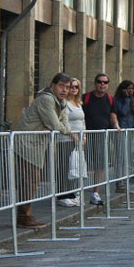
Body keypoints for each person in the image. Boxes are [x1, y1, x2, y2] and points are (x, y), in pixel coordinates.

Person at [14, 73, 73, 226]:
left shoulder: (62, 102)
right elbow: (55, 124)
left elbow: (63, 123)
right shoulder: (46, 99)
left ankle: (25, 214)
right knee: (30, 179)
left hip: (37, 144)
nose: (64, 90)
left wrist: (64, 128)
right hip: (27, 143)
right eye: (61, 86)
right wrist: (68, 131)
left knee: (32, 180)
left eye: (67, 87)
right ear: (52, 85)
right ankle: (23, 215)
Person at [82, 73, 120, 206]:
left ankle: (95, 192)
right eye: (99, 82)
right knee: (82, 164)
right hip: (85, 136)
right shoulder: (86, 98)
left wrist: (116, 126)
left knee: (100, 164)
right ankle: (77, 191)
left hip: (102, 136)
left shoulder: (110, 99)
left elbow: (113, 114)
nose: (102, 84)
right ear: (95, 83)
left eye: (105, 82)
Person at [61, 78, 86, 207]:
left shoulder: (78, 103)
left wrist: (84, 136)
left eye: (76, 87)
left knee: (76, 166)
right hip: (66, 139)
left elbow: (82, 121)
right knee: (65, 167)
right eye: (71, 87)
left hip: (79, 139)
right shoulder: (64, 103)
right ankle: (63, 195)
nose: (74, 89)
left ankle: (73, 193)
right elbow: (64, 122)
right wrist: (74, 136)